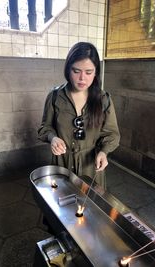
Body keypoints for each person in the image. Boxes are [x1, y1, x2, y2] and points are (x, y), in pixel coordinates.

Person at [38, 42, 120, 189]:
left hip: (91, 167)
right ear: (68, 70)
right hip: (62, 165)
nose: (82, 78)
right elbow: (45, 127)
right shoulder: (55, 96)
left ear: (96, 72)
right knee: (61, 206)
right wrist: (53, 138)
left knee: (89, 208)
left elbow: (112, 134)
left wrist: (103, 152)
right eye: (76, 71)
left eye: (89, 72)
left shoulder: (103, 99)